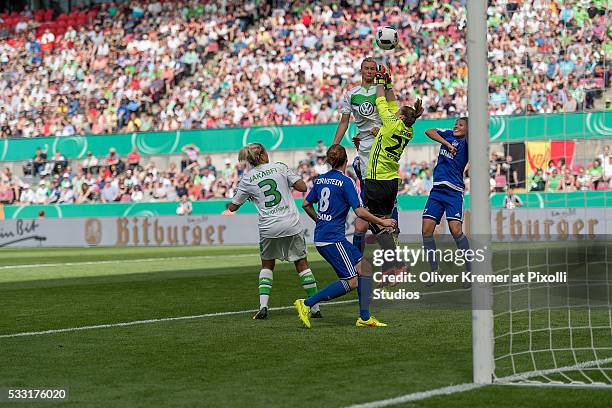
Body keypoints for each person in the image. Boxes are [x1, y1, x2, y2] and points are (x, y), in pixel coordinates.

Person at [295, 145, 396, 328]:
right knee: (352, 281)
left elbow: (305, 204)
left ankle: (364, 318)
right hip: (332, 239)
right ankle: (307, 304)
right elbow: (359, 211)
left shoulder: (320, 180)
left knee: (365, 269)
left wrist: (319, 221)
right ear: (346, 160)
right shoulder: (346, 182)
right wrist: (383, 222)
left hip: (327, 236)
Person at [225, 143, 321, 320]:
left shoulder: (247, 179)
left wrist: (230, 204)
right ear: (262, 155)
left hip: (269, 228)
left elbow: (233, 206)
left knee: (267, 265)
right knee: (302, 264)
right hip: (291, 224)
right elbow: (302, 187)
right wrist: (289, 181)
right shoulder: (280, 167)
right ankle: (315, 307)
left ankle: (263, 306)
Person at [364, 71, 423, 276]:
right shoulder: (408, 130)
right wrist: (389, 85)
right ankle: (392, 267)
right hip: (391, 181)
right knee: (385, 224)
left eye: (398, 112)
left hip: (377, 178)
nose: (395, 111)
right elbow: (391, 104)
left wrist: (380, 81)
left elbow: (381, 100)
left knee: (373, 220)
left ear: (400, 117)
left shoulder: (392, 123)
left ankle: (397, 263)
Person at [421, 118, 470, 286]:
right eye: (456, 123)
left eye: (461, 124)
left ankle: (470, 271)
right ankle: (435, 270)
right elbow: (428, 131)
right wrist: (447, 144)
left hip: (454, 191)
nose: (456, 126)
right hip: (436, 190)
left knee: (456, 231)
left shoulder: (468, 143)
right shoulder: (448, 135)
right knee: (426, 231)